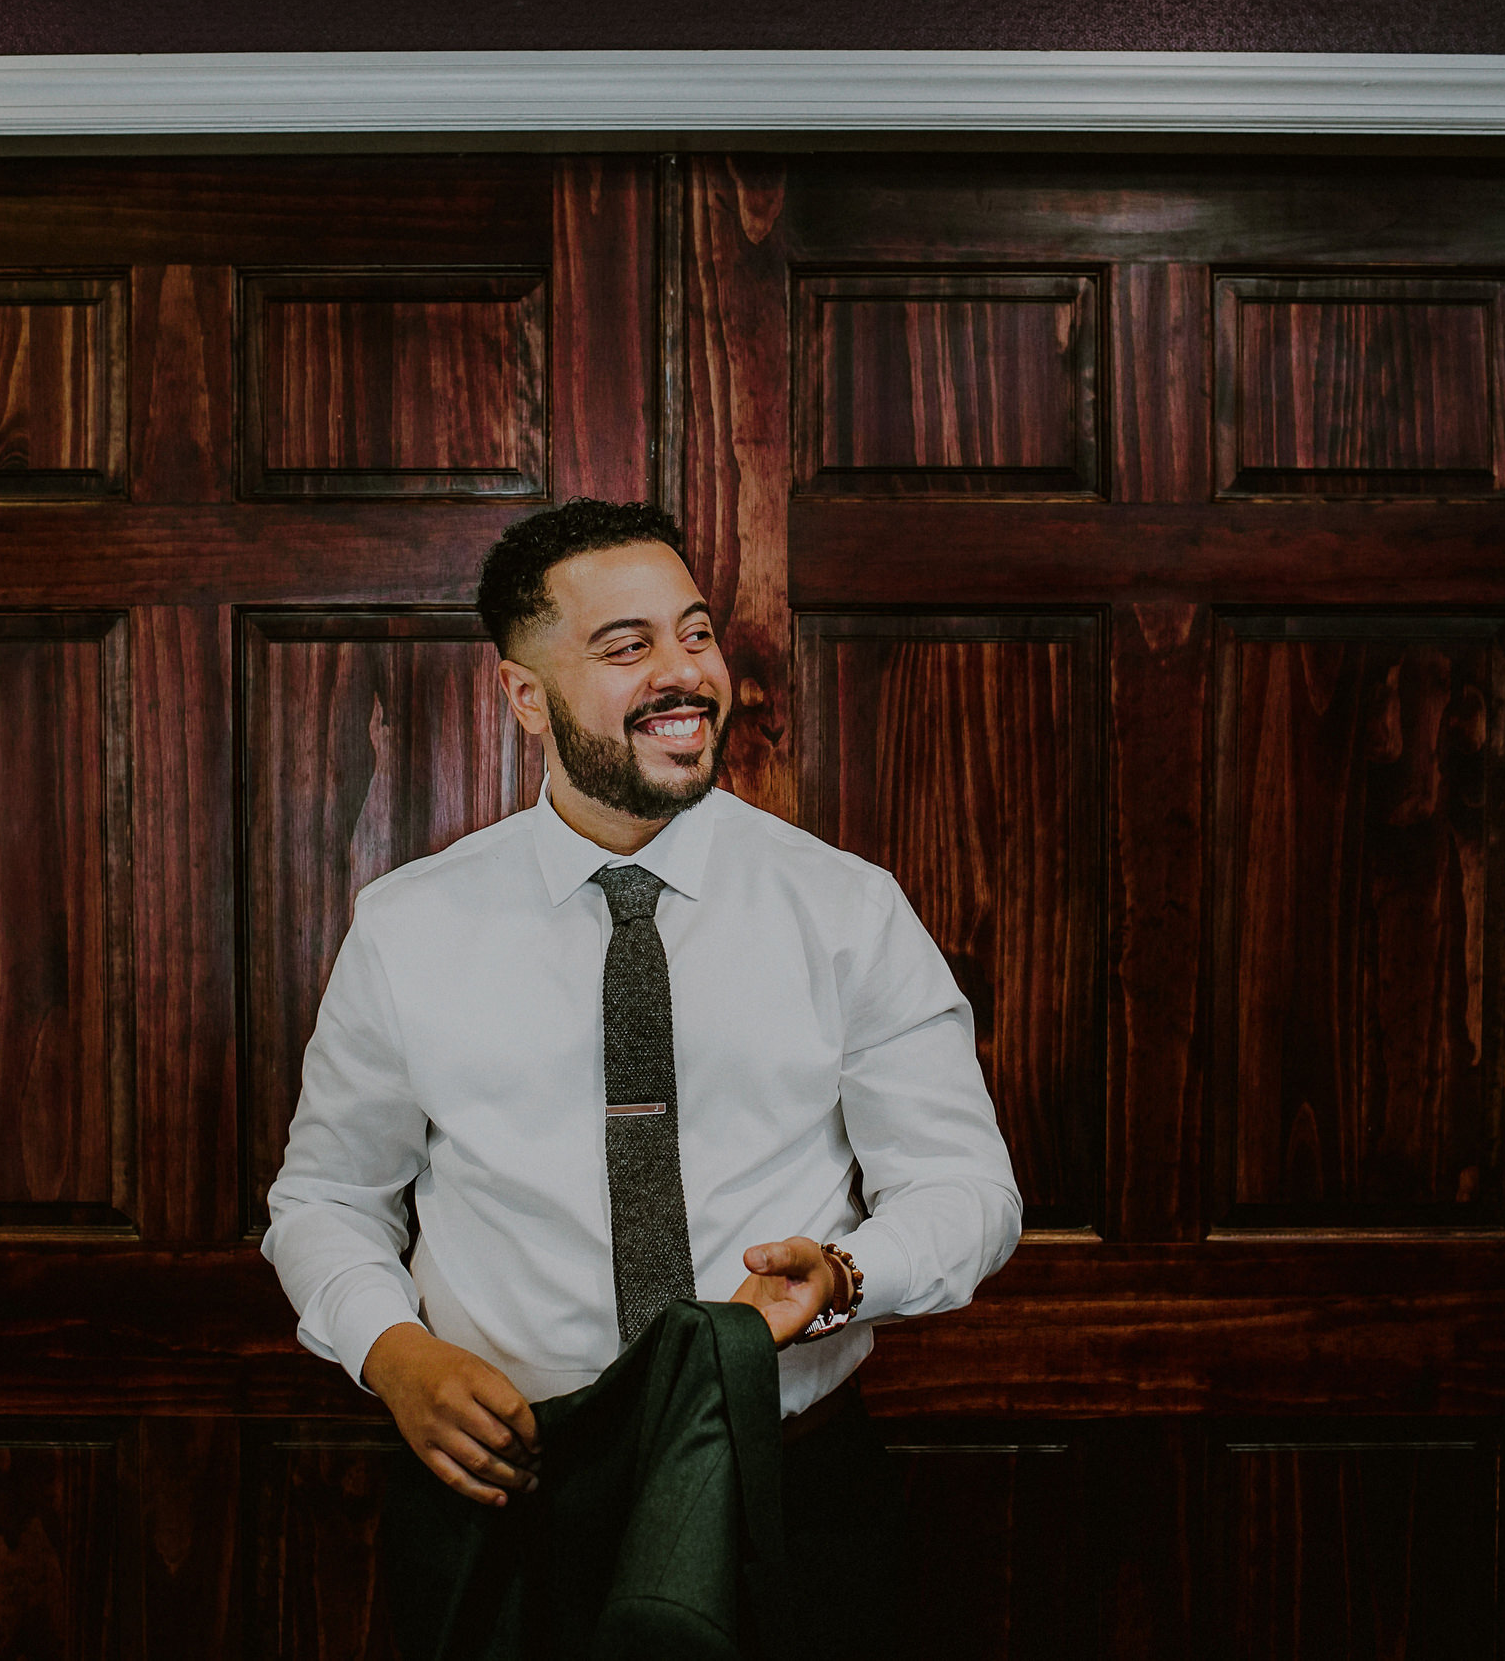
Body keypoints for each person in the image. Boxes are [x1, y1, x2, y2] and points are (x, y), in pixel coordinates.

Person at [261, 498, 1022, 1655]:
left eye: (696, 633)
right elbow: (323, 1198)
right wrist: (392, 1351)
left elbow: (968, 1188)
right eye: (628, 647)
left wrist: (851, 1271)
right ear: (524, 693)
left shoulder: (845, 910)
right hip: (503, 1496)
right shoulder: (408, 927)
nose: (683, 673)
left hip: (786, 1492)